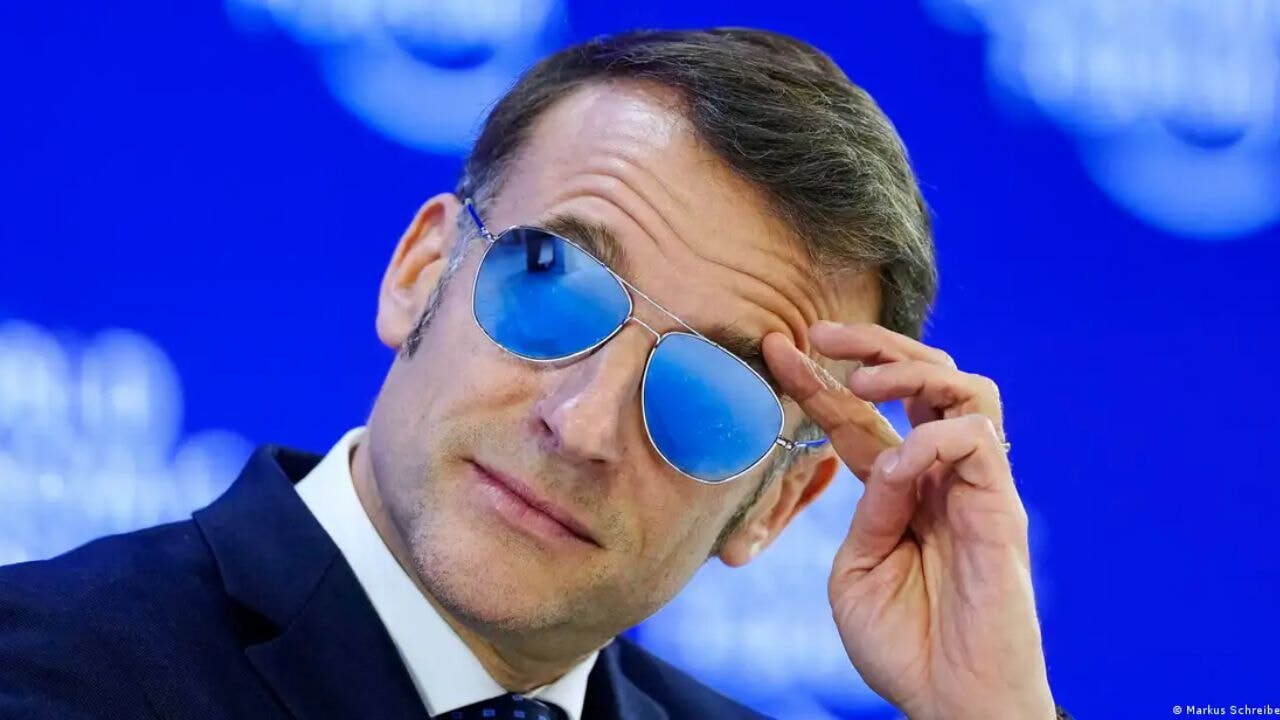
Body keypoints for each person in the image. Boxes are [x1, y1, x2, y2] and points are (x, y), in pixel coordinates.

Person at [0, 28, 1071, 720]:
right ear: (421, 273)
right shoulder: (44, 672)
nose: (585, 424)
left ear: (777, 504)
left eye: (709, 394)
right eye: (552, 289)